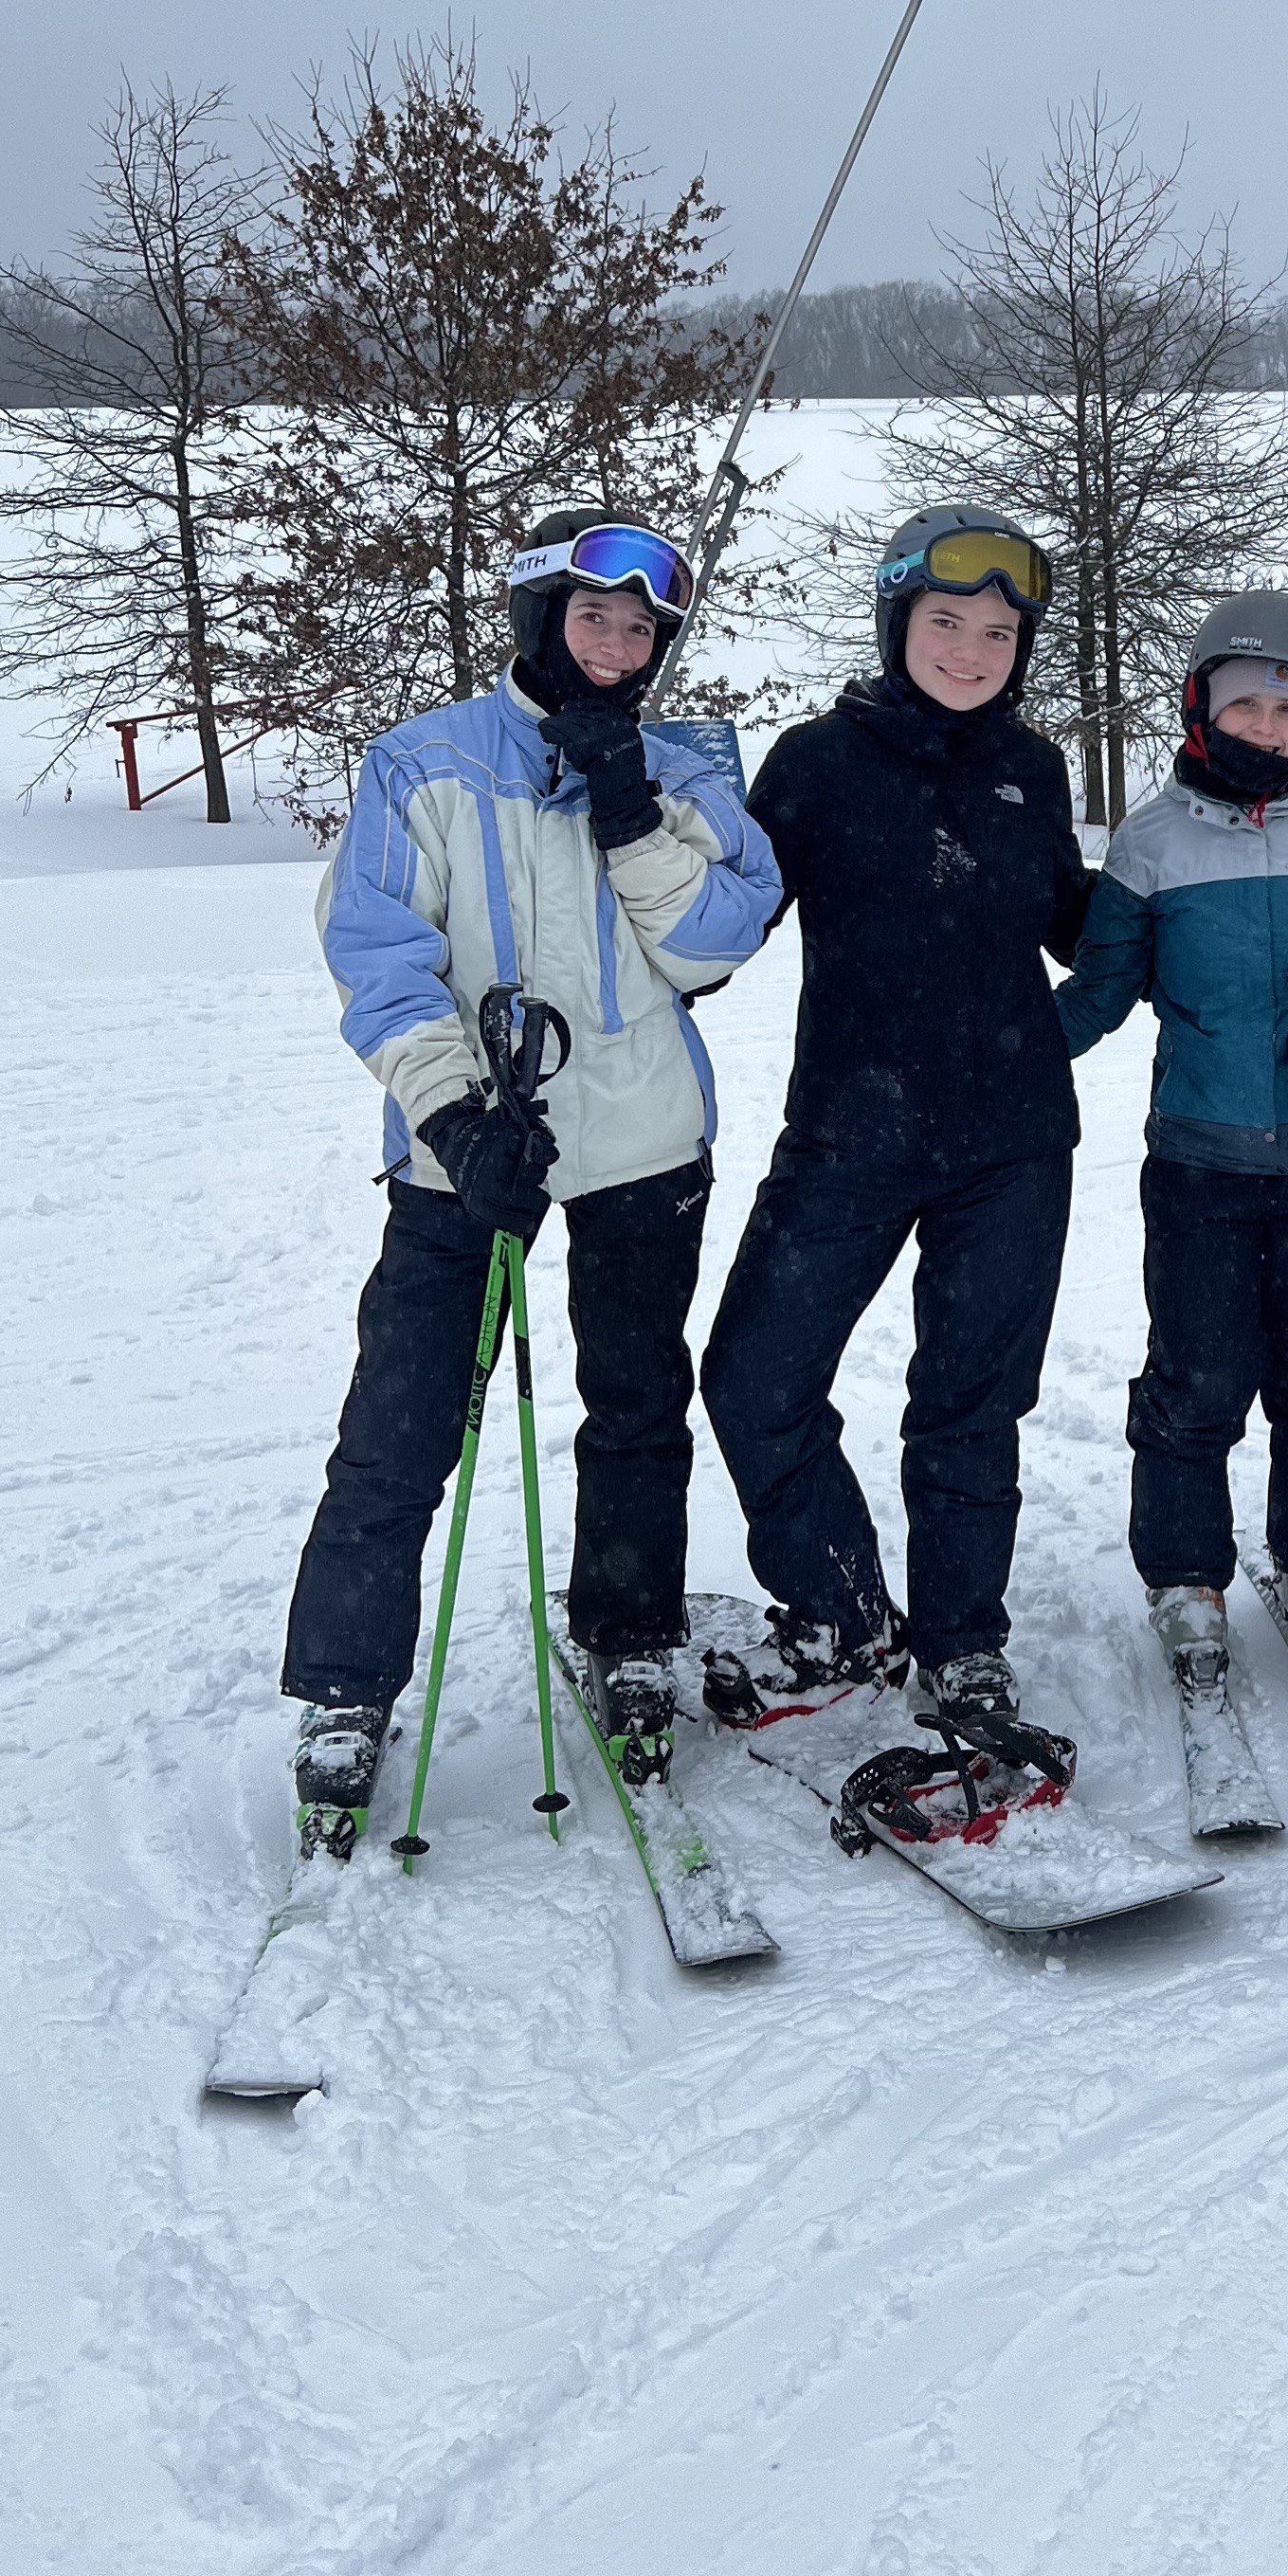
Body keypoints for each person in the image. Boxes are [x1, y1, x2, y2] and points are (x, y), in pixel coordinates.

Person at [283, 507, 783, 1847]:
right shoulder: (424, 764)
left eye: (642, 628)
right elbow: (379, 958)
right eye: (592, 617)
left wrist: (629, 808)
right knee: (403, 1417)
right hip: (474, 1145)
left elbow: (716, 944)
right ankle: (345, 1685)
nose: (619, 645)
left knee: (635, 1402)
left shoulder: (687, 770)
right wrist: (455, 1119)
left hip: (643, 1143)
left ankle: (628, 1630)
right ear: (536, 620)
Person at [699, 508, 1092, 1748]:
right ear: (897, 625)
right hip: (849, 1133)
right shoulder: (816, 762)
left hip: (1013, 1140)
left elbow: (1082, 926)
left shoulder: (1033, 768)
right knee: (755, 1374)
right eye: (946, 623)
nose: (972, 649)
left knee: (969, 1408)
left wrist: (1225, 898)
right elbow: (717, 933)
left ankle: (964, 1646)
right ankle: (847, 1611)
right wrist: (641, 823)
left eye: (996, 630)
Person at [1056, 592, 1288, 1699]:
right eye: (1244, 701)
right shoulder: (1151, 839)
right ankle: (1184, 1570)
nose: (1265, 723)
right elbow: (1102, 988)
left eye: (1287, 706)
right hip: (1199, 1162)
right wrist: (1008, 1048)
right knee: (1197, 1372)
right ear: (1199, 704)